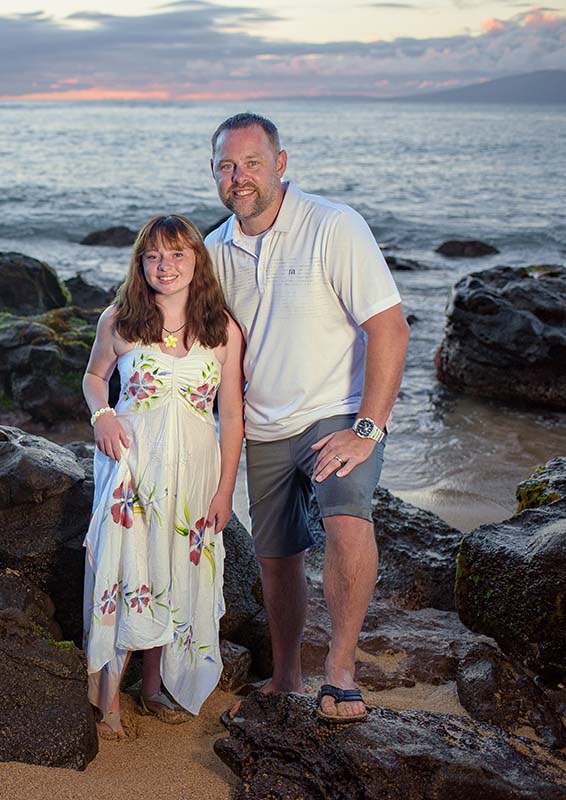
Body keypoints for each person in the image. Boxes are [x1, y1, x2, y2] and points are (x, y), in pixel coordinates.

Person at [205, 113, 410, 724]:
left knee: (347, 524)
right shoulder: (215, 250)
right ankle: (288, 675)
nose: (239, 177)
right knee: (277, 557)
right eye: (226, 166)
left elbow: (389, 328)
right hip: (263, 424)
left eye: (252, 163)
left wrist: (367, 429)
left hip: (335, 414)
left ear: (282, 164)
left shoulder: (334, 225)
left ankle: (341, 673)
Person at [82, 213, 245, 739]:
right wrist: (101, 414)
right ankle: (107, 698)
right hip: (133, 471)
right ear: (140, 263)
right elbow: (93, 377)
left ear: (197, 258)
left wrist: (224, 490)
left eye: (177, 254)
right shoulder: (120, 319)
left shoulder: (222, 330)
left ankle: (153, 687)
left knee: (176, 568)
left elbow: (233, 418)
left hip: (196, 474)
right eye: (153, 255)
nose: (165, 265)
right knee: (131, 568)